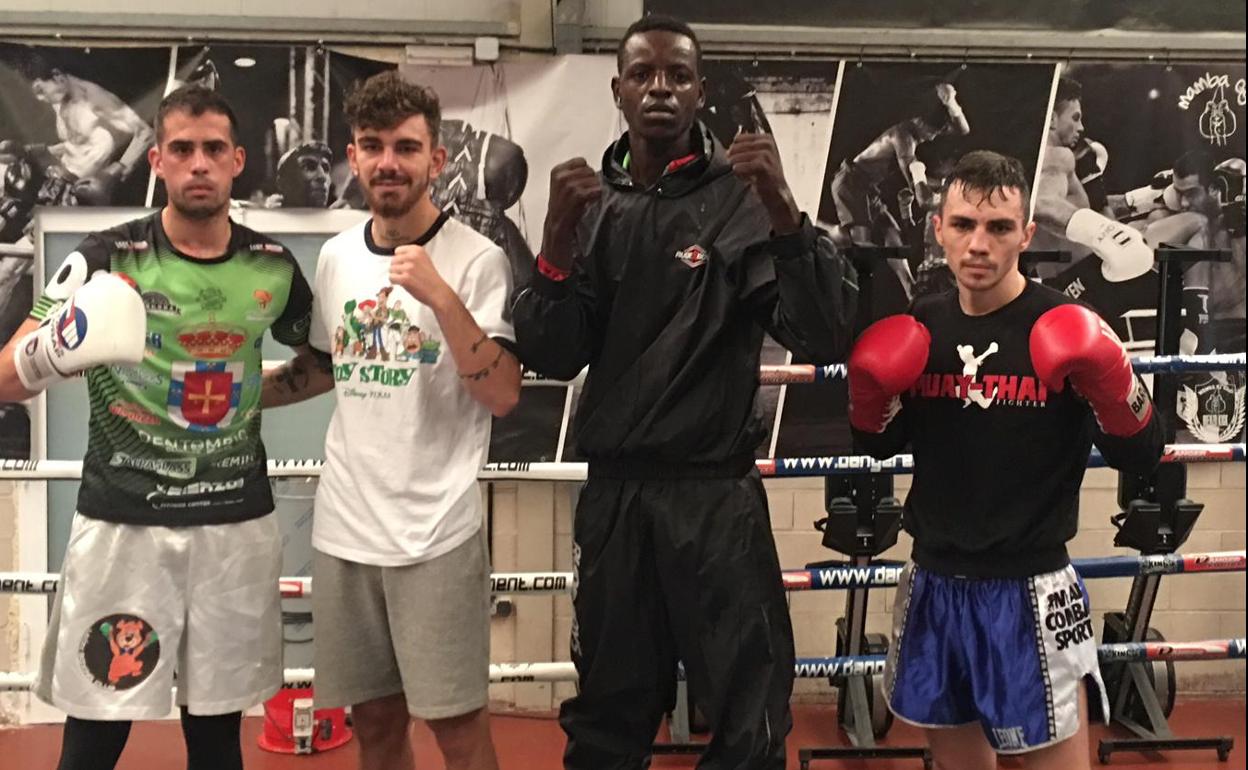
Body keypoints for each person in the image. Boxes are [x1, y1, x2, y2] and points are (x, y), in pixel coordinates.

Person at [512, 15, 858, 769]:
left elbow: (822, 334)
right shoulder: (590, 201)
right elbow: (550, 353)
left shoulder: (740, 199)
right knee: (606, 712)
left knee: (748, 716)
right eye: (643, 74)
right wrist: (555, 244)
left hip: (715, 498)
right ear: (619, 90)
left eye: (677, 75)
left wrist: (786, 214)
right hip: (618, 497)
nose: (660, 88)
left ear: (701, 91)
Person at [0, 84, 315, 770]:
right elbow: (7, 373)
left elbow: (319, 368)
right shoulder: (105, 255)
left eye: (212, 150)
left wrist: (243, 398)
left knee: (216, 734)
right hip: (124, 524)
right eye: (181, 149)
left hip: (234, 526)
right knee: (96, 726)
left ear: (237, 162)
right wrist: (60, 347)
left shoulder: (273, 265)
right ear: (158, 163)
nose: (197, 163)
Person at [847, 150, 1164, 770]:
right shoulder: (922, 325)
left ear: (1026, 233)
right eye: (963, 224)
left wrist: (1110, 379)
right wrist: (869, 396)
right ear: (938, 229)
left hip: (1030, 585)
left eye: (997, 228)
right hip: (936, 579)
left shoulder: (1065, 323)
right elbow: (880, 447)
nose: (978, 245)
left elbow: (1142, 453)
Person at [261, 70, 518, 770]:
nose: (388, 162)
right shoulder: (340, 257)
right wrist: (222, 391)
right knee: (374, 723)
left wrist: (441, 298)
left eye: (406, 147)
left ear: (436, 160)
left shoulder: (478, 260)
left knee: (457, 728)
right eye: (372, 146)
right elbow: (321, 367)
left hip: (434, 533)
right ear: (353, 158)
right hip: (346, 531)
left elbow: (501, 393)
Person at [828, 78, 970, 298]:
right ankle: (832, 240)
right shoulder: (902, 135)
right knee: (862, 241)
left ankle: (910, 289)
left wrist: (952, 103)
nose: (933, 137)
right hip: (851, 181)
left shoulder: (919, 133)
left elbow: (963, 130)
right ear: (919, 121)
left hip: (869, 189)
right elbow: (916, 185)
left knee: (891, 233)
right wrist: (926, 190)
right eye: (932, 131)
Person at [1033, 77, 1153, 283]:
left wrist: (1144, 198)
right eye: (1075, 118)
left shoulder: (1032, 162)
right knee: (1189, 225)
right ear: (1052, 119)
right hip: (1086, 275)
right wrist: (1108, 233)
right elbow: (1042, 202)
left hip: (1060, 281)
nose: (1081, 127)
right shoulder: (1058, 156)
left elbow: (1075, 210)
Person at [24, 57, 155, 205]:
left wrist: (115, 171)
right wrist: (46, 151)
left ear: (57, 76)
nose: (41, 98)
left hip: (85, 195)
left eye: (40, 90)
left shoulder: (94, 97)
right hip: (60, 181)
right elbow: (77, 143)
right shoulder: (60, 98)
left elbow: (146, 134)